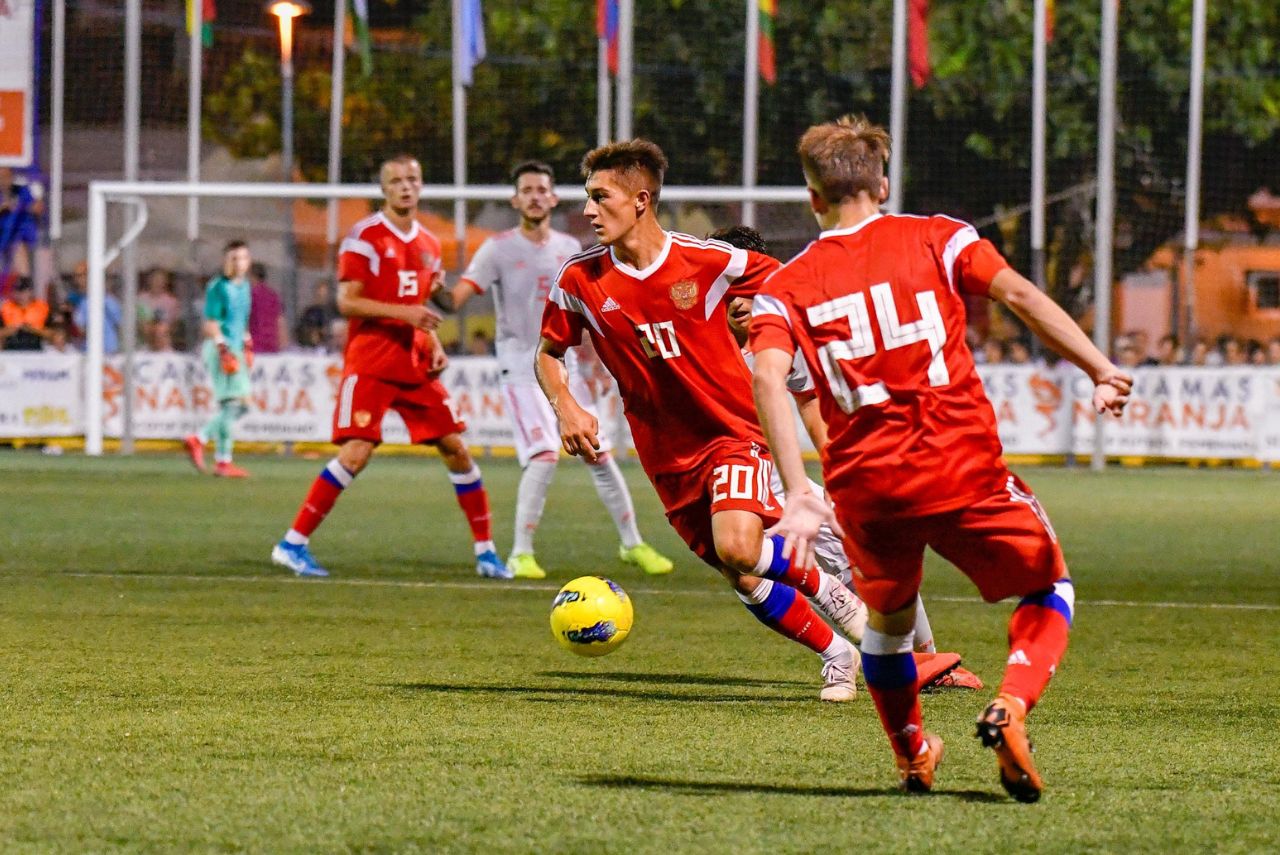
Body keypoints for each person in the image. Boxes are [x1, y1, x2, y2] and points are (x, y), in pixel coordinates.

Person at [749, 115, 1131, 799]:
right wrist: (1099, 367)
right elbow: (1019, 295)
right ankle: (1010, 705)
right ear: (882, 184)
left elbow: (767, 377)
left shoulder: (784, 287)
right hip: (960, 465)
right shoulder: (940, 236)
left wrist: (799, 488)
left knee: (888, 630)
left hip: (867, 486)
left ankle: (913, 755)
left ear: (812, 197)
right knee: (1051, 587)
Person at [536, 140, 869, 702]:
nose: (588, 210)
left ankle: (834, 594)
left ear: (641, 200)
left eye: (600, 197)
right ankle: (838, 654)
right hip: (665, 456)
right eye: (587, 197)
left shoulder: (709, 261)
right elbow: (548, 353)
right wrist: (565, 404)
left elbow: (792, 283)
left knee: (739, 546)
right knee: (741, 573)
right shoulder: (579, 280)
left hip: (731, 433)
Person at [718, 224, 981, 692]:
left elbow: (810, 404)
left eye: (745, 287)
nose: (736, 299)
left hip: (781, 482)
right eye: (726, 288)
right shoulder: (699, 343)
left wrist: (839, 476)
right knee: (742, 573)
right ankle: (837, 654)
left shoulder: (781, 338)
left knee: (867, 551)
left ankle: (930, 662)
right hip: (728, 479)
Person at [431, 160, 674, 580]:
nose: (535, 197)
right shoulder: (497, 249)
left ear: (554, 197)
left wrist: (596, 362)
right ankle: (520, 553)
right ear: (515, 200)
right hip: (521, 367)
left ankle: (632, 543)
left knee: (598, 453)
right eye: (526, 190)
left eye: (541, 189)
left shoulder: (569, 247)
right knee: (544, 454)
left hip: (567, 365)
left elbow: (588, 309)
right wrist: (434, 290)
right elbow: (454, 301)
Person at [271, 154, 507, 580]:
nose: (405, 186)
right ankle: (292, 544)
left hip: (414, 364)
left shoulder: (429, 244)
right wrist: (406, 315)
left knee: (456, 448)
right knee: (357, 453)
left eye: (412, 179)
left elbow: (421, 302)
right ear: (383, 188)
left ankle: (487, 553)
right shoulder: (364, 237)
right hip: (372, 361)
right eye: (396, 180)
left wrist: (432, 341)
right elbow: (347, 301)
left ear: (421, 185)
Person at [184, 241, 255, 478]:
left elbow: (241, 321)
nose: (238, 263)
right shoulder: (218, 286)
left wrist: (247, 344)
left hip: (235, 347)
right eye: (234, 258)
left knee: (230, 406)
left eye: (242, 258)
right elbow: (210, 323)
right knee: (241, 403)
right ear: (225, 261)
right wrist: (223, 349)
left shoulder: (244, 286)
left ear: (249, 261)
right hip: (221, 347)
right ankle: (199, 438)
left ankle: (224, 462)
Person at [0, 278, 50, 350]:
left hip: (35, 349)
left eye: (23, 291)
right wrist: (11, 330)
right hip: (11, 350)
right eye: (17, 291)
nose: (20, 295)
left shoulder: (42, 308)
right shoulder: (6, 308)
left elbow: (53, 333)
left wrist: (32, 329)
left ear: (31, 291)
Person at [248, 263, 287, 353]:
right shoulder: (273, 295)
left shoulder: (250, 295)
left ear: (251, 276)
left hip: (255, 343)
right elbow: (280, 320)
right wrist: (282, 342)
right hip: (272, 344)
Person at [297, 279, 339, 349]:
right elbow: (302, 330)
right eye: (320, 292)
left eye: (325, 292)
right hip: (312, 348)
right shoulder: (310, 312)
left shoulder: (335, 310)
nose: (323, 295)